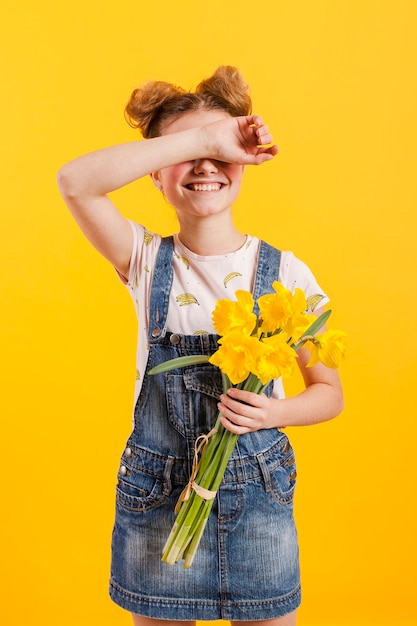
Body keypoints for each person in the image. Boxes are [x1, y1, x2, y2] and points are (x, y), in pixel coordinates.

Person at [57, 65, 343, 626]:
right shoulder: (144, 261)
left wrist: (276, 412)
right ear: (155, 177)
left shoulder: (285, 274)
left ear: (243, 166)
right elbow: (75, 181)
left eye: (222, 150)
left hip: (259, 502)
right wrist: (207, 137)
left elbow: (329, 393)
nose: (207, 165)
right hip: (160, 501)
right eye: (184, 154)